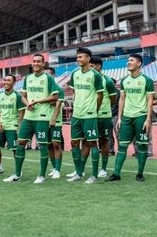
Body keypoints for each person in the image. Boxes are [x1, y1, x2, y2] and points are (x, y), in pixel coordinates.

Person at [4, 54, 58, 183]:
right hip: (29, 117)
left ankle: (41, 176)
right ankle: (17, 174)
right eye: (34, 61)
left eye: (39, 61)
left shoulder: (48, 78)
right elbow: (22, 96)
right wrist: (27, 103)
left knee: (43, 145)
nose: (36, 63)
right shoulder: (28, 78)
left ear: (43, 64)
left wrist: (38, 101)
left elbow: (55, 97)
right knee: (20, 143)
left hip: (42, 117)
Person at [105, 54, 154, 182]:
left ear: (139, 63)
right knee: (122, 146)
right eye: (128, 60)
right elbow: (122, 99)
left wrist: (148, 119)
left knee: (142, 146)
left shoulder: (147, 80)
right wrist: (119, 118)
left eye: (131, 60)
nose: (128, 62)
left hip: (141, 117)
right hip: (126, 117)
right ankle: (116, 174)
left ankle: (140, 173)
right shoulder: (124, 80)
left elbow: (150, 101)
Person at [67, 48, 104, 183]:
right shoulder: (75, 74)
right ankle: (78, 172)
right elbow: (74, 92)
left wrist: (95, 109)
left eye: (81, 57)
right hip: (77, 115)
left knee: (92, 143)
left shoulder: (95, 75)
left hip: (89, 115)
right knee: (74, 143)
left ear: (88, 58)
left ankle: (94, 175)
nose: (78, 59)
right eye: (77, 57)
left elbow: (100, 94)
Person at [90, 57, 117, 178]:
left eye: (92, 66)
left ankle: (104, 168)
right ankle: (81, 170)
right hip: (89, 115)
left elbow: (113, 99)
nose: (89, 68)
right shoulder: (88, 79)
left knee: (104, 140)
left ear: (98, 66)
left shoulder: (108, 81)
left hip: (104, 116)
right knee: (88, 141)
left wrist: (103, 108)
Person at [0, 74, 24, 175]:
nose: (6, 82)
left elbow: (21, 112)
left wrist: (19, 126)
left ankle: (19, 170)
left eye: (8, 80)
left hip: (12, 126)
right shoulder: (0, 95)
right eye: (5, 80)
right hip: (1, 125)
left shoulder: (17, 96)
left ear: (14, 83)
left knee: (15, 149)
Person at [45, 66, 66, 179]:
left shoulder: (59, 89)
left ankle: (58, 170)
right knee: (48, 146)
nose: (47, 77)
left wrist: (53, 118)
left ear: (53, 76)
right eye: (45, 74)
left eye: (49, 74)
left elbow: (60, 104)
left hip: (56, 122)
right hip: (43, 121)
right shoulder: (43, 89)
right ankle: (53, 168)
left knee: (56, 144)